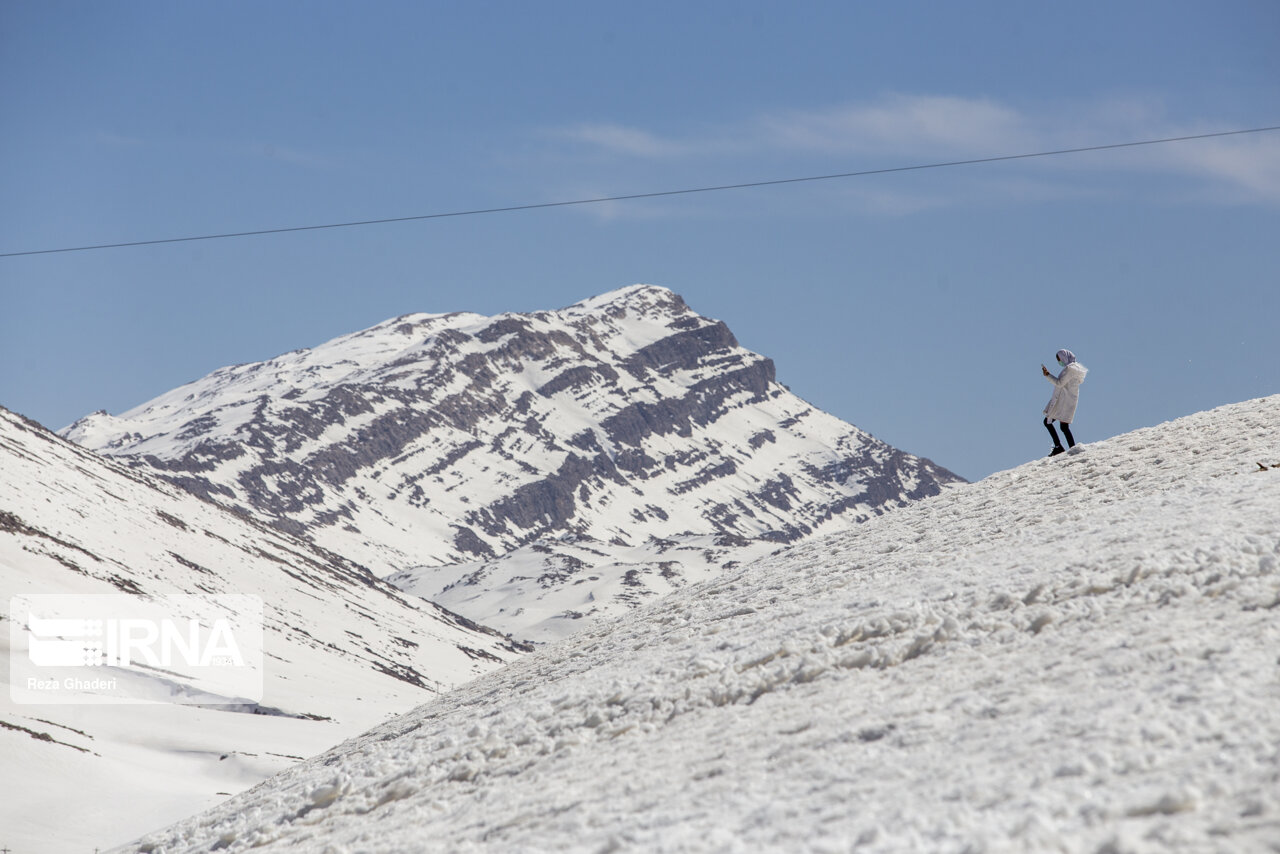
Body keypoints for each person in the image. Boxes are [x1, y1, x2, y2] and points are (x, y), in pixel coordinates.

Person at [1041, 349, 1087, 457]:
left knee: (1048, 422)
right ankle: (1072, 448)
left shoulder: (1070, 369)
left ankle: (1059, 447)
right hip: (1069, 401)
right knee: (1063, 426)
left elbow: (1059, 383)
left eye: (1059, 359)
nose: (1059, 362)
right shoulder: (1075, 369)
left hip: (1064, 402)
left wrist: (1047, 375)